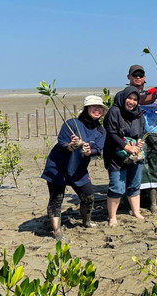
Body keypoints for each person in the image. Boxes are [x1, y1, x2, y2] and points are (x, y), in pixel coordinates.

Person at [41, 95, 108, 241]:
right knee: (56, 199)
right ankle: (57, 231)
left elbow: (98, 149)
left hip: (78, 169)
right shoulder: (72, 123)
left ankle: (86, 221)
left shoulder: (101, 131)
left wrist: (90, 151)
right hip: (58, 167)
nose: (97, 110)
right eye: (93, 106)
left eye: (100, 108)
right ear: (86, 108)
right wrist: (71, 146)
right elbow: (62, 142)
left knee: (88, 196)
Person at [103, 86, 146, 226]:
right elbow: (111, 133)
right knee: (117, 187)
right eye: (129, 98)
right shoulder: (114, 112)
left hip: (135, 154)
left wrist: (139, 142)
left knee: (134, 185)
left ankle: (136, 211)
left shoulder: (138, 113)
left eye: (135, 99)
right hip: (116, 155)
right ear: (123, 98)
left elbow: (140, 132)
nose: (132, 102)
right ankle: (112, 217)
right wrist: (126, 147)